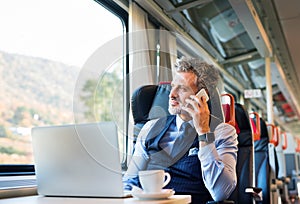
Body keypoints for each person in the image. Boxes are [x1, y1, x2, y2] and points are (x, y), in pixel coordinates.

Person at [123, 57, 238, 203]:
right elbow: (130, 181)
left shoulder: (222, 132)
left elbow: (221, 193)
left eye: (182, 88)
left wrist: (204, 133)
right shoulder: (150, 128)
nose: (172, 94)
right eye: (173, 86)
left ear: (202, 96)